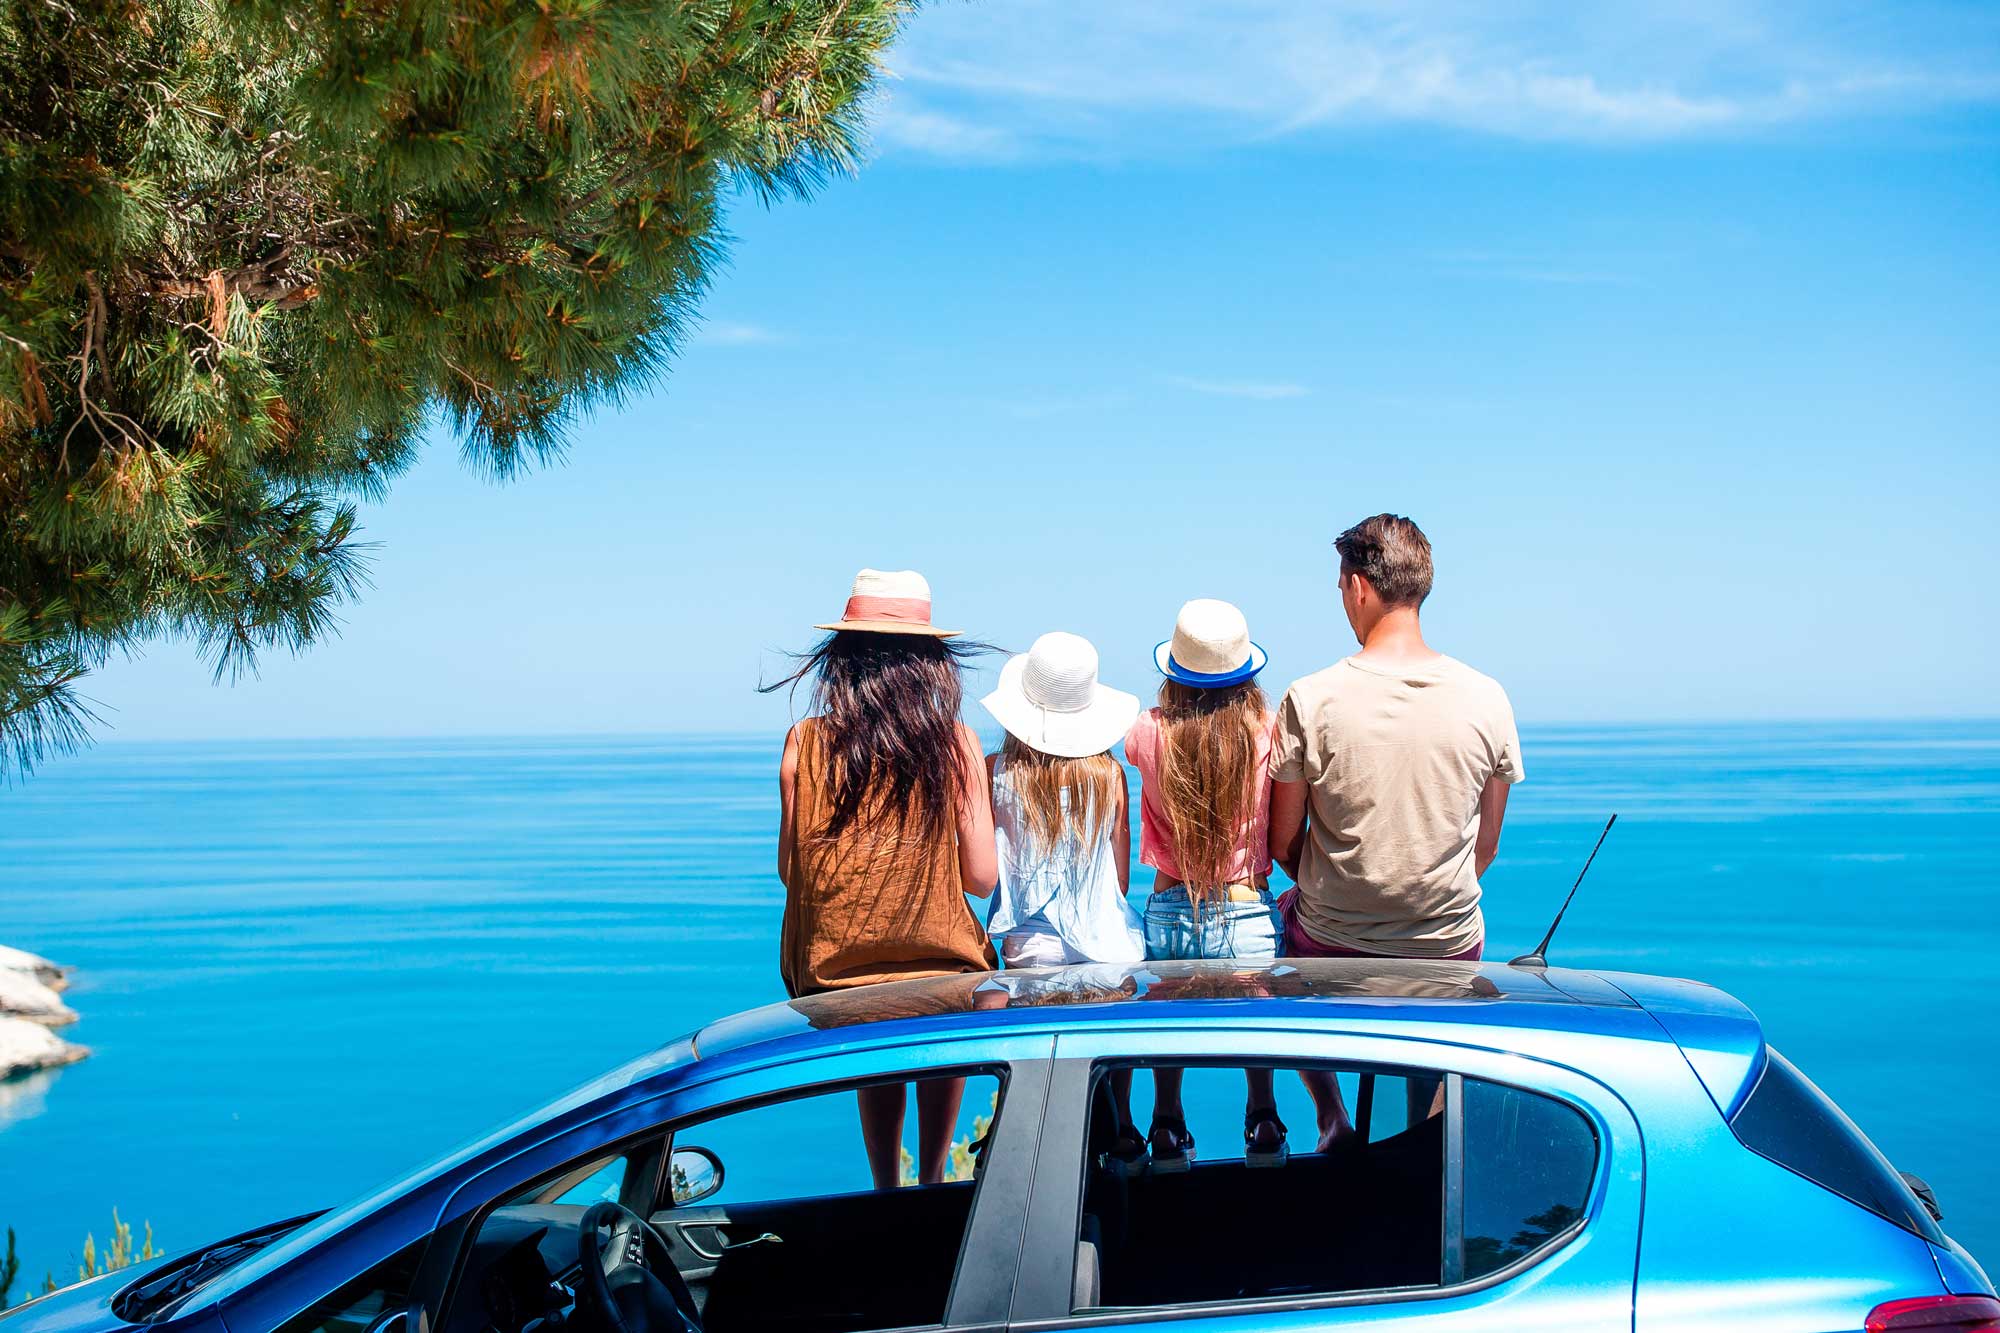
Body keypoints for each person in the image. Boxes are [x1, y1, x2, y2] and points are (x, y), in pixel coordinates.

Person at [1266, 515, 1524, 1143]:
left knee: (1271, 932)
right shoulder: (1487, 696)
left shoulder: (1313, 697)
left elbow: (1281, 844)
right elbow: (1485, 846)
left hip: (1331, 943)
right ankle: (1429, 1139)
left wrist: (1345, 887)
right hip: (1445, 945)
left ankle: (1331, 1117)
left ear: (1357, 586)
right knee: (1439, 1020)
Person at [768, 568, 999, 1188]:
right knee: (945, 994)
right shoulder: (956, 745)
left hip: (836, 982)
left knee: (877, 1031)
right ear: (931, 663)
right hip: (942, 975)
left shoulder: (804, 743)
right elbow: (981, 879)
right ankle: (931, 1181)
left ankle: (885, 1188)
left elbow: (795, 874)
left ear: (842, 659)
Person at [1124, 598, 1288, 1168]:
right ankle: (1263, 1120)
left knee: (1167, 1029)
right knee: (1255, 1029)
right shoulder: (1266, 730)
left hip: (1170, 904)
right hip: (1245, 905)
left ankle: (1166, 1125)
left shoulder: (1146, 732)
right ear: (1247, 674)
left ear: (1174, 670)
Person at [980, 630, 1145, 1162]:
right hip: (1110, 948)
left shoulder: (996, 772)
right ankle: (1121, 1126)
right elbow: (1119, 881)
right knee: (1110, 1061)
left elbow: (982, 870)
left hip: (1033, 951)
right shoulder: (1111, 776)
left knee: (1035, 1068)